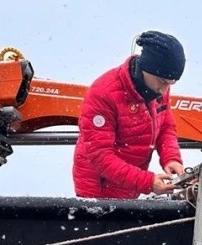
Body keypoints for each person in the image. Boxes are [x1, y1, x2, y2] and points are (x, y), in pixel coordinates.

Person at [73, 30, 186, 198]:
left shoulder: (159, 90)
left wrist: (171, 158)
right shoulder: (103, 94)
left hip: (129, 189)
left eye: (171, 84)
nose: (164, 90)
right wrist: (146, 182)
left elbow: (166, 127)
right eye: (162, 81)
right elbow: (100, 156)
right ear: (146, 68)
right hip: (98, 193)